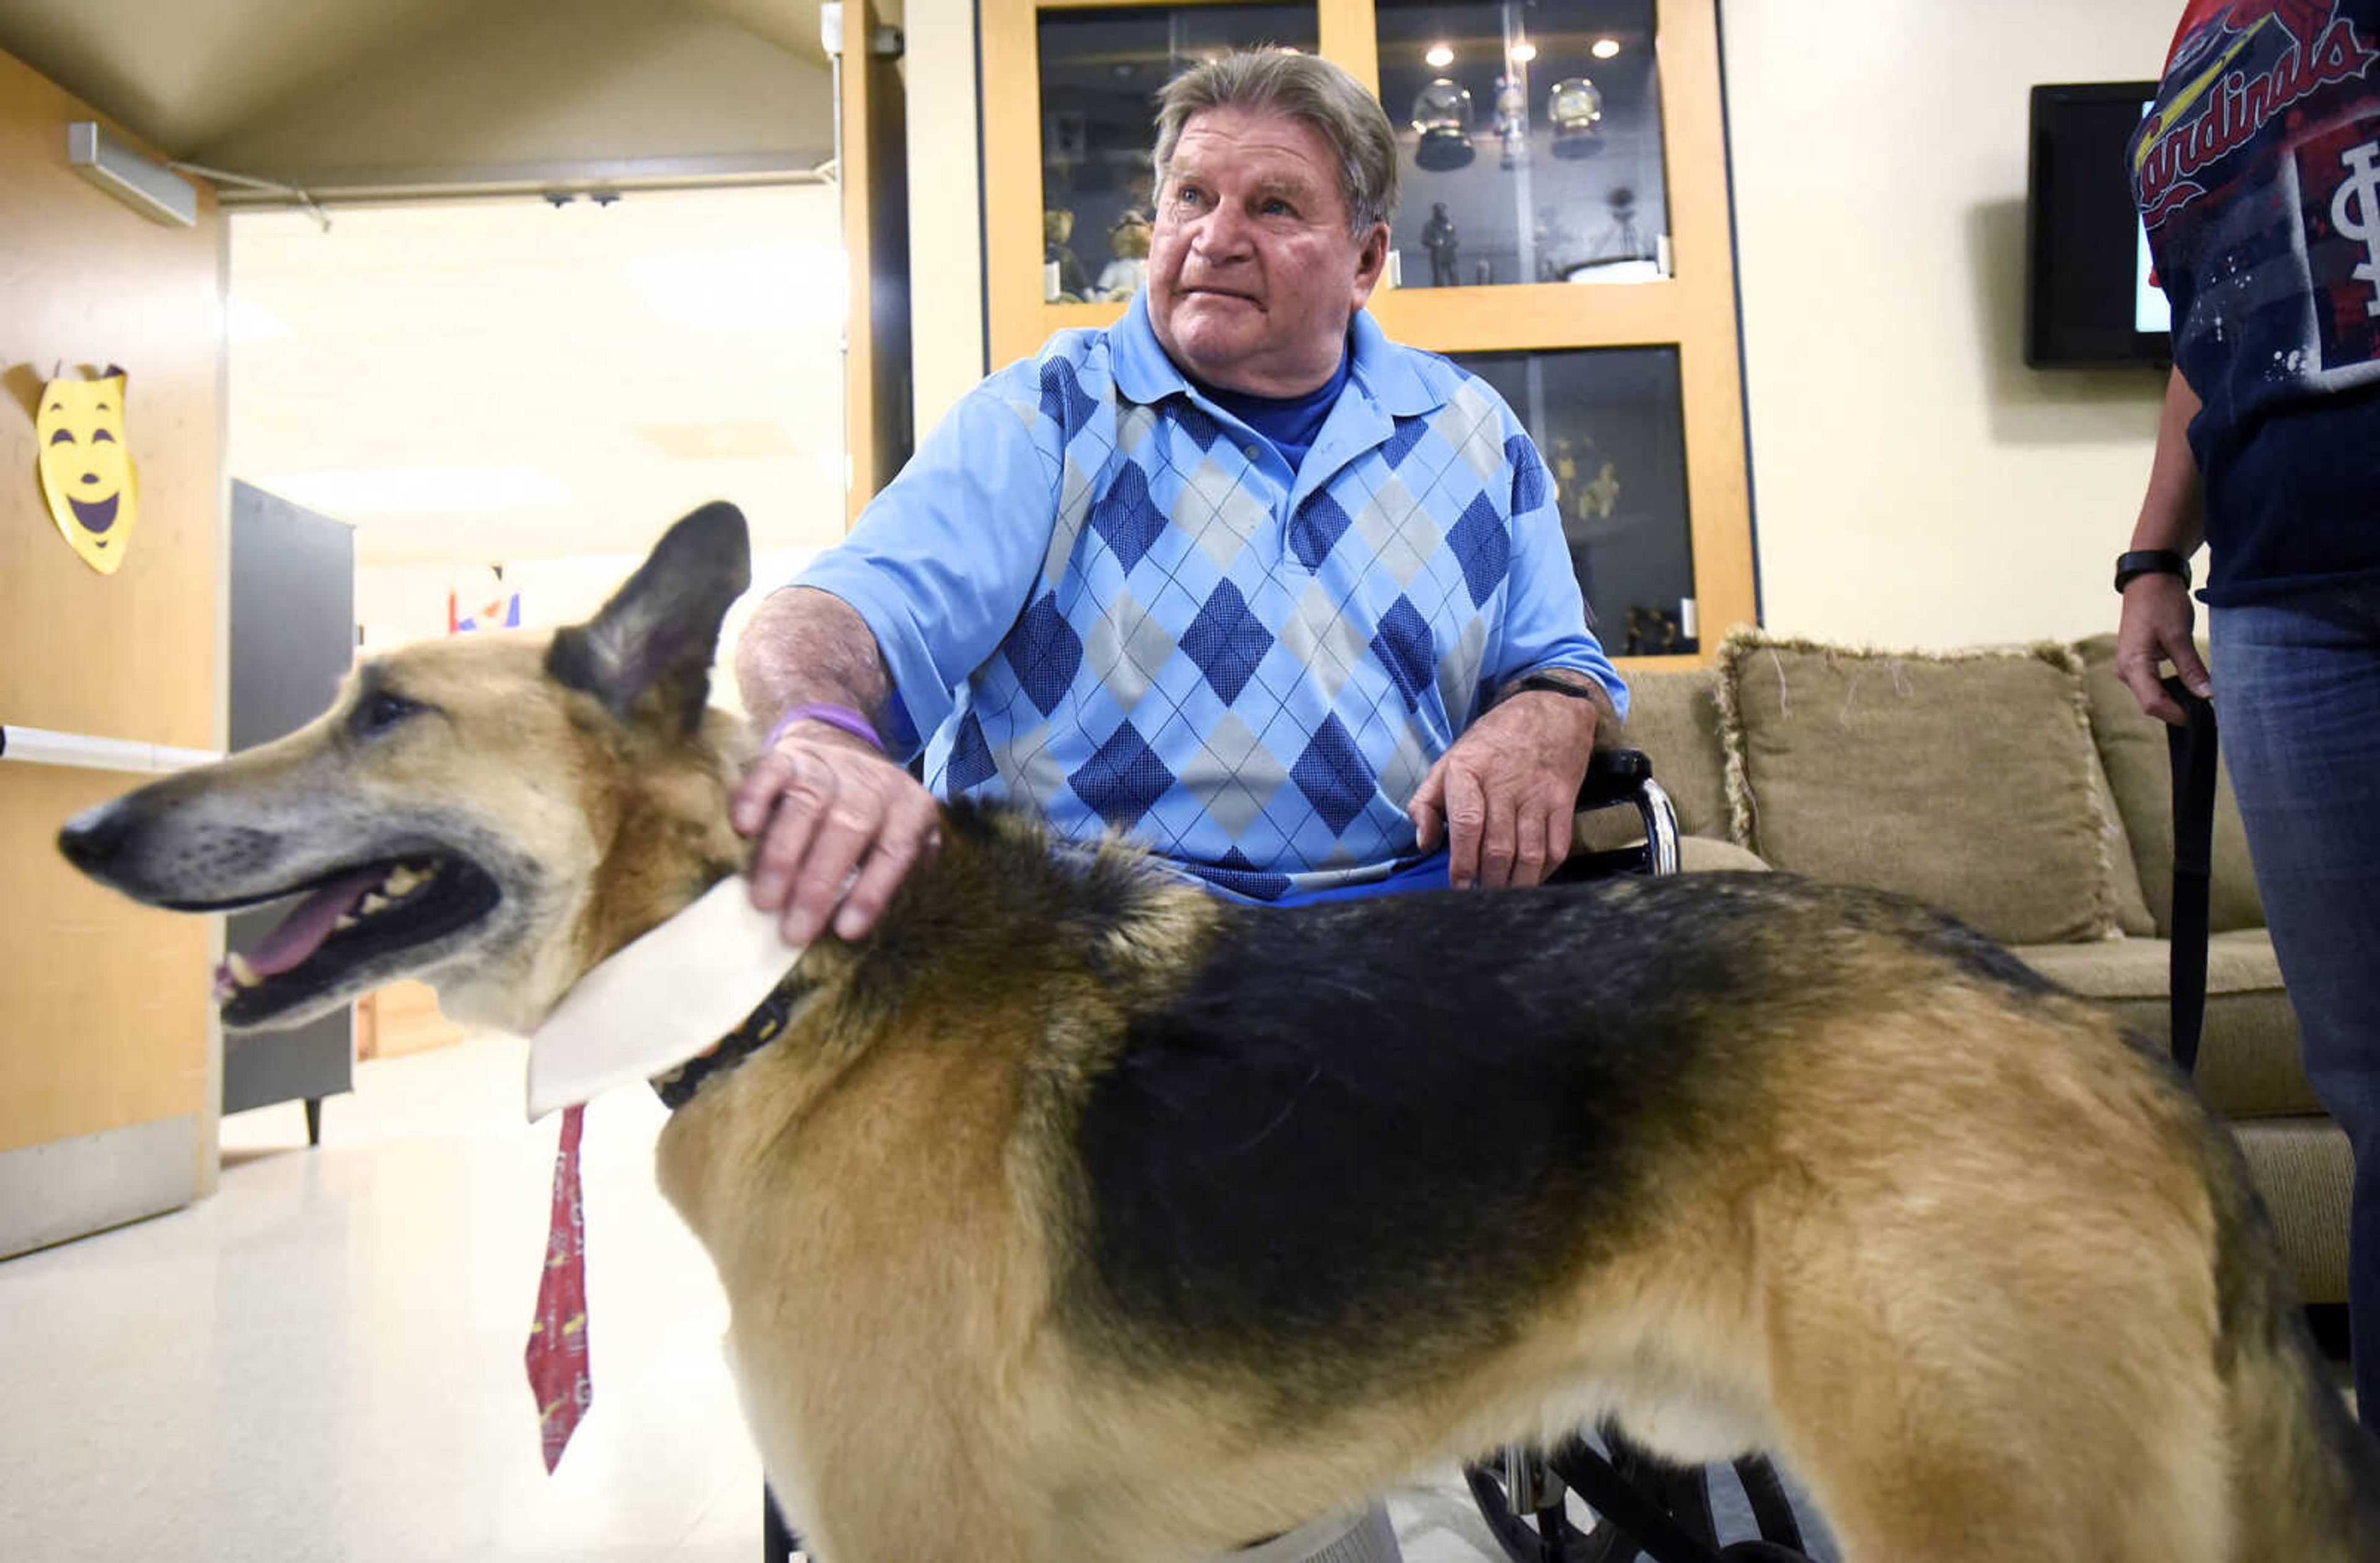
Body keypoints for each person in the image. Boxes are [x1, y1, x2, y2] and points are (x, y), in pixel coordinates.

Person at [731, 48, 1624, 955]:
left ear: (1366, 259)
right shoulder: (1042, 419)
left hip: (1396, 943)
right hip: (1086, 956)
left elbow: (1560, 658)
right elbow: (827, 617)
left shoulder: (1474, 432)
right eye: (1190, 197)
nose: (1215, 237)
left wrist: (1552, 709)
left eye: (1273, 205)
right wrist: (822, 733)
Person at [2118, 0, 2380, 1433]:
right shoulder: (2205, 36)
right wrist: (2157, 552)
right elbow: (2213, 321)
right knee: (2372, 1096)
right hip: (2283, 590)